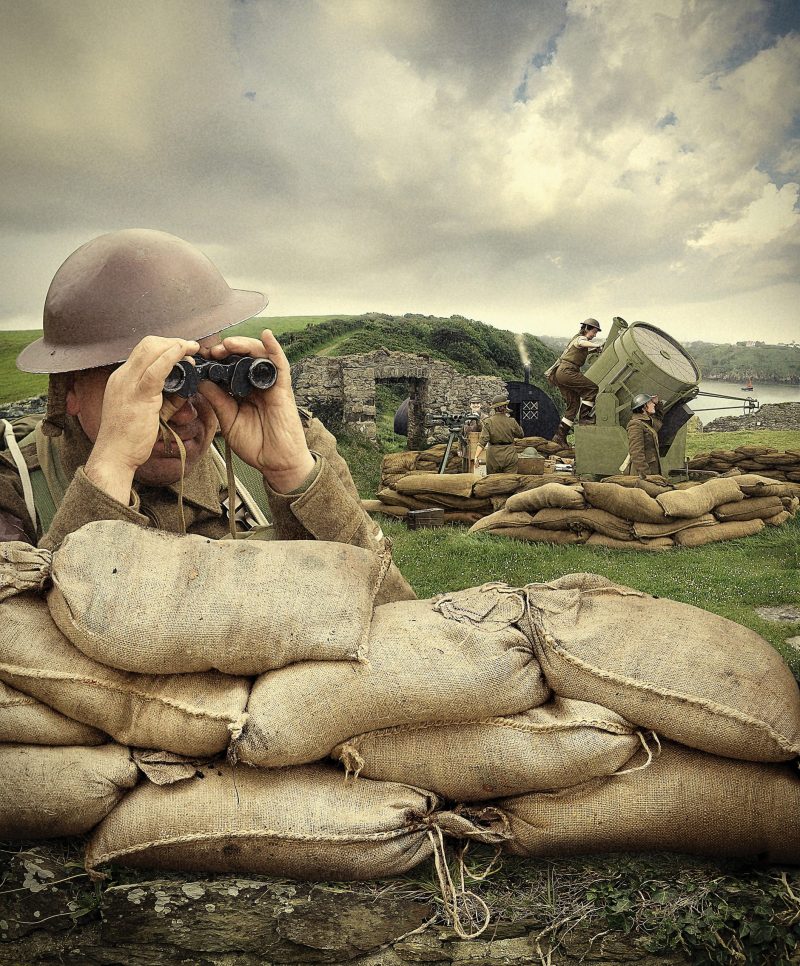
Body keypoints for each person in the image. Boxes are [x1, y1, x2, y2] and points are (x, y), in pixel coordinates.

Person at [0, 228, 414, 603]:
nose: (181, 415)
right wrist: (111, 469)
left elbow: (397, 616)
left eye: (195, 374)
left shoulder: (299, 446)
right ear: (69, 390)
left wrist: (293, 474)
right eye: (147, 383)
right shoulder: (16, 487)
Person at [549, 318, 604, 447]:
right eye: (594, 332)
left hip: (561, 374)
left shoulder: (580, 343)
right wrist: (598, 345)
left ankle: (559, 437)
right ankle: (584, 419)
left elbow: (582, 349)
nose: (595, 335)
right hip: (567, 371)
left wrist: (594, 350)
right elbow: (581, 342)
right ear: (586, 329)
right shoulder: (579, 338)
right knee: (592, 389)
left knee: (573, 406)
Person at [474, 395, 523, 474]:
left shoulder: (488, 422)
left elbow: (482, 441)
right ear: (505, 407)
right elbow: (521, 434)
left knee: (493, 483)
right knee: (510, 482)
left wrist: (476, 457)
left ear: (494, 408)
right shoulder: (512, 421)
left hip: (493, 456)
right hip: (509, 454)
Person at [626, 392, 664, 478]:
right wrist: (646, 475)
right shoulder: (635, 425)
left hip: (652, 471)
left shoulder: (647, 422)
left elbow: (659, 419)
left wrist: (658, 403)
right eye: (650, 403)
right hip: (643, 474)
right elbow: (636, 453)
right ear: (643, 407)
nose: (653, 404)